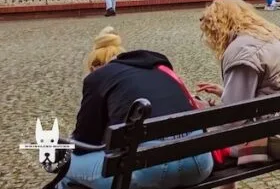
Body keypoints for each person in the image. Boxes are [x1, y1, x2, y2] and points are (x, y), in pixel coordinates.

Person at [63, 27, 214, 189]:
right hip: (200, 164)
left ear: (94, 67)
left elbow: (84, 142)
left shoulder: (98, 78)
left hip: (150, 170)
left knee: (64, 163)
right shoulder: (159, 67)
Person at [195, 0, 280, 167]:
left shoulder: (241, 49)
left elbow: (234, 116)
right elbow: (279, 88)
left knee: (196, 141)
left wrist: (203, 109)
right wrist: (224, 91)